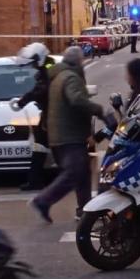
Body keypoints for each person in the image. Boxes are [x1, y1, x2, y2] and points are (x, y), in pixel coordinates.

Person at [30, 47, 106, 223]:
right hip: (69, 135)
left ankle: (85, 210)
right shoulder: (70, 77)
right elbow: (77, 100)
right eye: (81, 60)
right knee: (74, 172)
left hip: (61, 133)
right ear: (77, 61)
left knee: (82, 174)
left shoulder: (59, 76)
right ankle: (43, 200)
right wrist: (99, 110)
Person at [11, 42, 54, 191]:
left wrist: (23, 101)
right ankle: (36, 180)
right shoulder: (47, 67)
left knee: (56, 148)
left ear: (40, 58)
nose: (33, 66)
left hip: (52, 115)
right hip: (49, 114)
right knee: (41, 146)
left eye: (34, 62)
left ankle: (37, 180)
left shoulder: (49, 69)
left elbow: (41, 90)